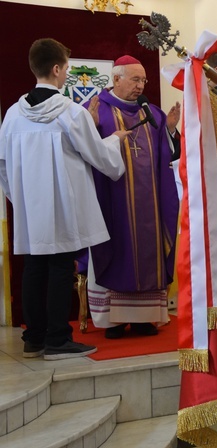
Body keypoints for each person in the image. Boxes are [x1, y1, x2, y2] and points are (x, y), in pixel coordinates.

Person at [0, 38, 127, 360]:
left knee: (33, 266)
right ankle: (58, 340)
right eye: (66, 69)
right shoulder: (70, 112)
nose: (66, 74)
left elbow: (2, 166)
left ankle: (34, 338)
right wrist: (112, 140)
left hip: (31, 208)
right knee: (59, 266)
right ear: (57, 69)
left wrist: (21, 198)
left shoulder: (13, 115)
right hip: (64, 206)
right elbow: (98, 156)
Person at [85, 55, 180, 339]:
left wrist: (171, 129)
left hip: (149, 205)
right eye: (135, 79)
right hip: (111, 201)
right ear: (116, 79)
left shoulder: (153, 114)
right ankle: (112, 322)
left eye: (144, 80)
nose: (141, 86)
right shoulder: (94, 110)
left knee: (148, 251)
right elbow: (82, 152)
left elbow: (168, 155)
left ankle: (144, 319)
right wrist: (89, 126)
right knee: (114, 250)